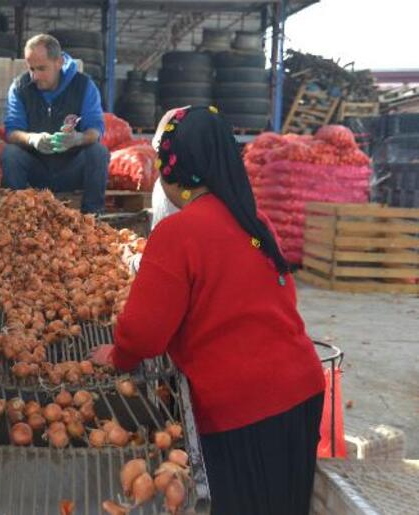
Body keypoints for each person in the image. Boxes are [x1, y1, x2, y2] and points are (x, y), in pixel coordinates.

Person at [92, 106, 326, 515]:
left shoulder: (178, 233)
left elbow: (143, 334)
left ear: (168, 170)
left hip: (245, 406)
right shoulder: (256, 224)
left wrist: (118, 355)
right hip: (302, 390)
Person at [1, 34, 108, 213]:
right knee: (10, 154)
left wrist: (78, 138)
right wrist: (32, 139)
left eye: (41, 68)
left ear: (58, 62)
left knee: (98, 152)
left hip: (71, 169)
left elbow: (96, 129)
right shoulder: (19, 87)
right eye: (31, 68)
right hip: (36, 170)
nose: (34, 76)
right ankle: (18, 216)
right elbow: (11, 131)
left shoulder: (83, 86)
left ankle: (93, 216)